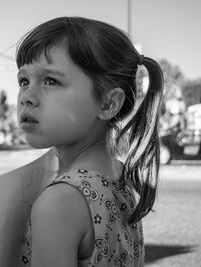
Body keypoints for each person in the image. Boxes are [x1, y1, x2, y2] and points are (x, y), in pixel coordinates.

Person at [16, 17, 163, 266]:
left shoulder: (59, 202)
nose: (26, 97)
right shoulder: (118, 174)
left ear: (108, 103)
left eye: (51, 81)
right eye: (24, 81)